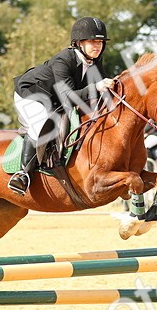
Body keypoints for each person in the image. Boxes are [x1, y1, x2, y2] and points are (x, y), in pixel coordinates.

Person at [9, 17, 115, 195]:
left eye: (100, 42)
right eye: (92, 41)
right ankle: (23, 174)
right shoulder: (64, 59)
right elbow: (69, 96)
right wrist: (97, 87)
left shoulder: (95, 62)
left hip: (54, 99)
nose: (97, 46)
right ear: (79, 43)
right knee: (41, 121)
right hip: (31, 94)